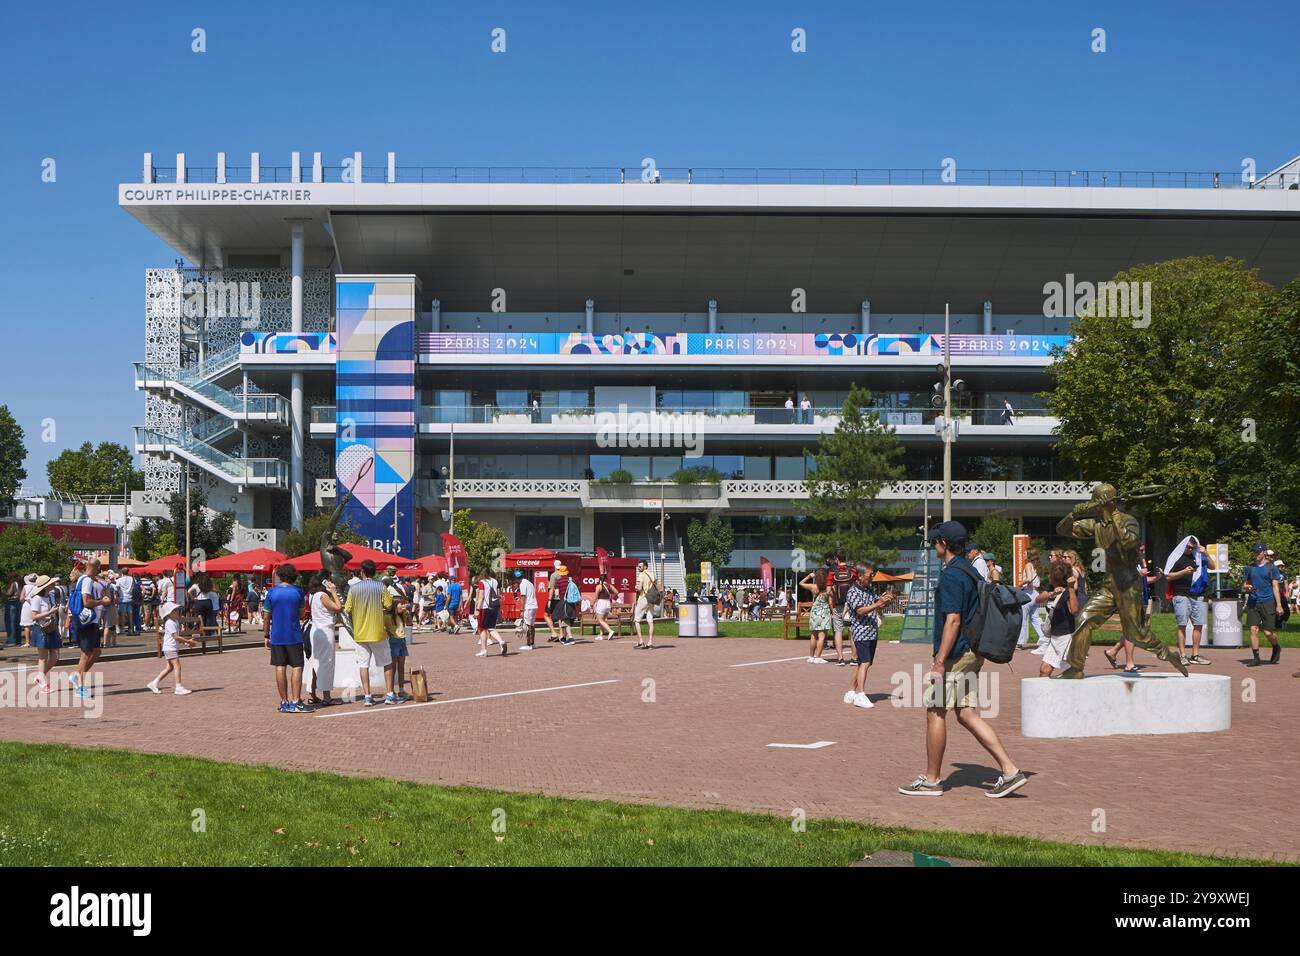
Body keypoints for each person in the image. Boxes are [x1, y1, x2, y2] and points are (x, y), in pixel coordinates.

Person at [898, 521, 1028, 798]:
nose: (934, 546)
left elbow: (953, 620)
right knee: (966, 713)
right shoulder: (970, 570)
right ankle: (1010, 771)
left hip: (957, 654)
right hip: (973, 651)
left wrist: (938, 661)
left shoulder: (952, 576)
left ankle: (932, 780)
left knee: (935, 711)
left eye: (936, 542)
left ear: (944, 544)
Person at [1053, 484, 1188, 678]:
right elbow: (1063, 529)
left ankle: (1168, 654)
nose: (1094, 506)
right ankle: (1075, 668)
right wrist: (1073, 515)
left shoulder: (1128, 521)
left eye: (1097, 502)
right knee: (1084, 619)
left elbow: (1128, 542)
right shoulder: (1096, 524)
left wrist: (1114, 517)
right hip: (1109, 586)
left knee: (1137, 636)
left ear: (1108, 503)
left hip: (1128, 587)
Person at [346, 560, 399, 704]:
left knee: (364, 665)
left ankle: (367, 696)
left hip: (360, 633)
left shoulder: (353, 589)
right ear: (374, 573)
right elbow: (388, 605)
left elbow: (348, 609)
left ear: (362, 572)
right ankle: (389, 694)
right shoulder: (381, 586)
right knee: (387, 663)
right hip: (378, 632)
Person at [842, 562, 894, 709]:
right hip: (861, 632)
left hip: (872, 631)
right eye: (869, 575)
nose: (872, 577)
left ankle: (851, 692)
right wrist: (877, 604)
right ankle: (861, 694)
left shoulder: (869, 589)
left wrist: (886, 601)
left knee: (864, 663)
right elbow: (860, 610)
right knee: (864, 662)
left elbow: (877, 604)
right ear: (859, 576)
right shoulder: (852, 592)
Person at [264, 563, 309, 713]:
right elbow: (301, 614)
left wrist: (265, 635)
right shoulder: (298, 592)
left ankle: (284, 702)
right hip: (294, 635)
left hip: (277, 635)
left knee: (280, 666)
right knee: (297, 667)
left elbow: (266, 616)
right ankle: (296, 701)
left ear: (280, 575)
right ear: (293, 576)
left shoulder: (271, 593)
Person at [1165, 535, 1212, 667]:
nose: (1190, 549)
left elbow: (1213, 566)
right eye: (1188, 547)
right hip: (1180, 594)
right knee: (1182, 625)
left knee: (1198, 624)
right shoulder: (1176, 557)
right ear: (1183, 545)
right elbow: (1168, 576)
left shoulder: (1198, 556)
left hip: (1196, 594)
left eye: (1192, 547)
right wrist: (1184, 572)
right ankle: (1182, 655)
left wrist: (1206, 553)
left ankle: (1195, 655)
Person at [71, 558, 114, 700]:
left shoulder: (83, 579)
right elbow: (86, 601)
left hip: (90, 621)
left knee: (96, 651)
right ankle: (80, 687)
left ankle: (77, 676)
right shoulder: (87, 581)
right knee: (86, 653)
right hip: (87, 621)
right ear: (96, 567)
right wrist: (102, 601)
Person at [1033, 561, 1079, 677]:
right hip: (1055, 637)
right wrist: (1052, 593)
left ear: (1056, 577)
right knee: (1044, 670)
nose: (1048, 576)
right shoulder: (1050, 587)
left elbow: (1074, 610)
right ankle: (1043, 695)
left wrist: (1071, 589)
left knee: (1072, 672)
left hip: (1066, 637)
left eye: (1050, 574)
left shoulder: (1068, 591)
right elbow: (1037, 599)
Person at [1242, 544, 1282, 667]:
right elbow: (1245, 584)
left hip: (1268, 601)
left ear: (1264, 552)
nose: (1256, 554)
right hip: (1253, 602)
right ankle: (1256, 658)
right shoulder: (1249, 568)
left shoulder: (1271, 567)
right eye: (1255, 552)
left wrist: (1279, 605)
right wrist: (1247, 587)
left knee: (1268, 632)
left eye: (1258, 552)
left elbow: (1275, 587)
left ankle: (1276, 647)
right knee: (1253, 629)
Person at [147, 600, 198, 695]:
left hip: (170, 647)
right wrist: (187, 641)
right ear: (169, 614)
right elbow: (175, 637)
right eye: (174, 610)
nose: (177, 612)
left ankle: (154, 683)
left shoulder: (175, 622)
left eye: (177, 610)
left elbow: (176, 637)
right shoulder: (169, 623)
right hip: (169, 648)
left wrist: (186, 643)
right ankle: (178, 687)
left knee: (169, 668)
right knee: (177, 665)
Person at [306, 573, 342, 706]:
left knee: (314, 661)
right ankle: (327, 697)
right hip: (325, 631)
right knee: (326, 662)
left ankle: (312, 693)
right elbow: (338, 608)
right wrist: (333, 591)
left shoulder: (312, 596)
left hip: (315, 630)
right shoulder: (323, 595)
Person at [26, 575, 63, 693]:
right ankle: (43, 683)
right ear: (45, 586)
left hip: (51, 627)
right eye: (51, 584)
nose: (53, 585)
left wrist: (53, 611)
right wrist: (50, 612)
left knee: (55, 656)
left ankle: (40, 676)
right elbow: (34, 616)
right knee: (43, 657)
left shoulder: (50, 596)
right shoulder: (37, 598)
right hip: (41, 629)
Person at [384, 573, 415, 697]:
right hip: (393, 640)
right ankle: (391, 691)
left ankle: (401, 690)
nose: (403, 605)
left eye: (403, 604)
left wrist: (407, 615)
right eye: (400, 604)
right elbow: (383, 626)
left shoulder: (402, 615)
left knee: (401, 666)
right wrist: (388, 633)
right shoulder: (387, 616)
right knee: (393, 667)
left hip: (402, 640)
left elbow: (410, 624)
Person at [826, 555, 854, 665]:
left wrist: (834, 596)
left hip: (838, 605)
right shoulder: (852, 570)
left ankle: (840, 658)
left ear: (837, 559)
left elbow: (828, 591)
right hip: (851, 605)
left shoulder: (833, 572)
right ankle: (854, 658)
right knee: (852, 631)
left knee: (838, 631)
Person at [799, 570, 832, 663]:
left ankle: (811, 656)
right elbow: (830, 602)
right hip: (824, 612)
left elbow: (801, 583)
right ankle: (818, 657)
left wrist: (809, 576)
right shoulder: (828, 588)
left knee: (813, 635)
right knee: (822, 636)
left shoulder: (813, 587)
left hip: (815, 611)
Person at [1016, 546, 1045, 649]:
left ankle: (1019, 642)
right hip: (1036, 593)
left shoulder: (1028, 564)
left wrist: (1019, 585)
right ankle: (1045, 637)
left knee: (1022, 617)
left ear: (1029, 555)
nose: (1023, 555)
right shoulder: (1037, 566)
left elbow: (1028, 578)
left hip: (1028, 592)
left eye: (1025, 553)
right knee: (1035, 617)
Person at [473, 570, 507, 656]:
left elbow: (481, 597)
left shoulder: (482, 582)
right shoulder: (495, 581)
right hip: (495, 607)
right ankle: (501, 641)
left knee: (482, 628)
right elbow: (498, 594)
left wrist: (477, 609)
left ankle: (484, 650)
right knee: (491, 627)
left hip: (485, 607)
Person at [632, 560, 659, 649]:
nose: (639, 568)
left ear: (645, 566)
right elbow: (657, 585)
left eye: (640, 566)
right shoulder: (652, 574)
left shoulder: (641, 575)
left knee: (636, 620)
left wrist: (636, 587)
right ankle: (650, 642)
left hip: (643, 598)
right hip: (651, 599)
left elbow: (639, 588)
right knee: (650, 620)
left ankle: (641, 641)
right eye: (638, 566)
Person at [515, 570, 539, 650]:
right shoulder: (529, 583)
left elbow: (523, 597)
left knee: (527, 625)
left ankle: (529, 644)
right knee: (532, 625)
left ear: (516, 578)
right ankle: (532, 643)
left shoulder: (522, 584)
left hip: (528, 607)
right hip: (534, 605)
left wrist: (521, 610)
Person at [592, 573, 616, 640]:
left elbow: (596, 596)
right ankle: (600, 635)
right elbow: (616, 592)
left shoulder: (599, 586)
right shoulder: (609, 586)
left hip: (601, 603)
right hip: (608, 603)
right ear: (606, 579)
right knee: (603, 620)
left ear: (600, 579)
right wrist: (610, 594)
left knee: (600, 620)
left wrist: (592, 604)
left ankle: (610, 631)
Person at [116, 569, 138, 635]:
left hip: (122, 598)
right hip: (130, 597)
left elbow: (117, 588)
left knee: (122, 614)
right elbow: (135, 586)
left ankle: (122, 628)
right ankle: (131, 628)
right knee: (130, 614)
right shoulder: (132, 579)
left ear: (122, 572)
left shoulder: (119, 580)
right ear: (128, 572)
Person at [3, 573, 20, 646]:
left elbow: (9, 593)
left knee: (10, 622)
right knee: (16, 622)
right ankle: (17, 640)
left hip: (11, 604)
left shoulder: (13, 583)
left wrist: (2, 591)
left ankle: (11, 640)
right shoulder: (18, 584)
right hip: (17, 603)